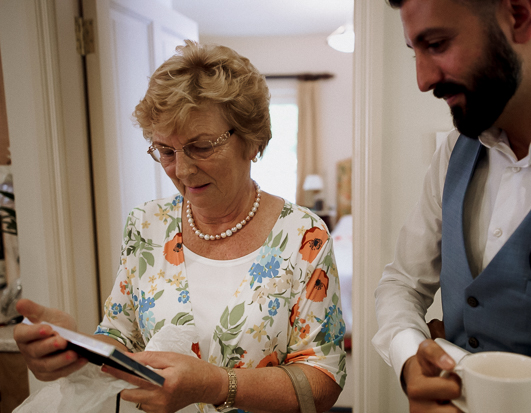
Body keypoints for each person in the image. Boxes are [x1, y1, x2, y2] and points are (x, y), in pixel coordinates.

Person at [14, 40, 346, 413]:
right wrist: (74, 349)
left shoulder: (304, 236)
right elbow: (122, 337)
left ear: (251, 141)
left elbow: (323, 381)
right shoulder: (146, 226)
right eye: (166, 152)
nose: (183, 171)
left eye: (201, 147)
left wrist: (217, 384)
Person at [372, 0, 531, 412]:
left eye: (436, 43)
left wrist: (453, 381)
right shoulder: (456, 151)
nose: (422, 79)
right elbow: (402, 282)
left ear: (519, 15)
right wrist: (409, 356)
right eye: (414, 51)